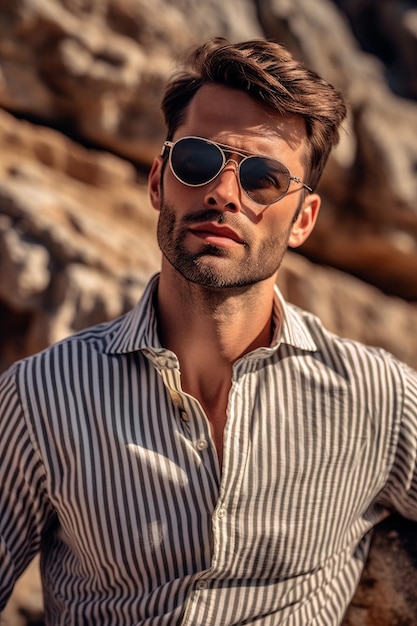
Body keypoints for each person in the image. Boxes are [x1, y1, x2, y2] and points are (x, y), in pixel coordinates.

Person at [0, 37, 416, 626]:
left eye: (264, 179)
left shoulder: (377, 398)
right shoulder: (42, 396)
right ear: (158, 181)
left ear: (302, 220)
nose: (223, 193)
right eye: (198, 161)